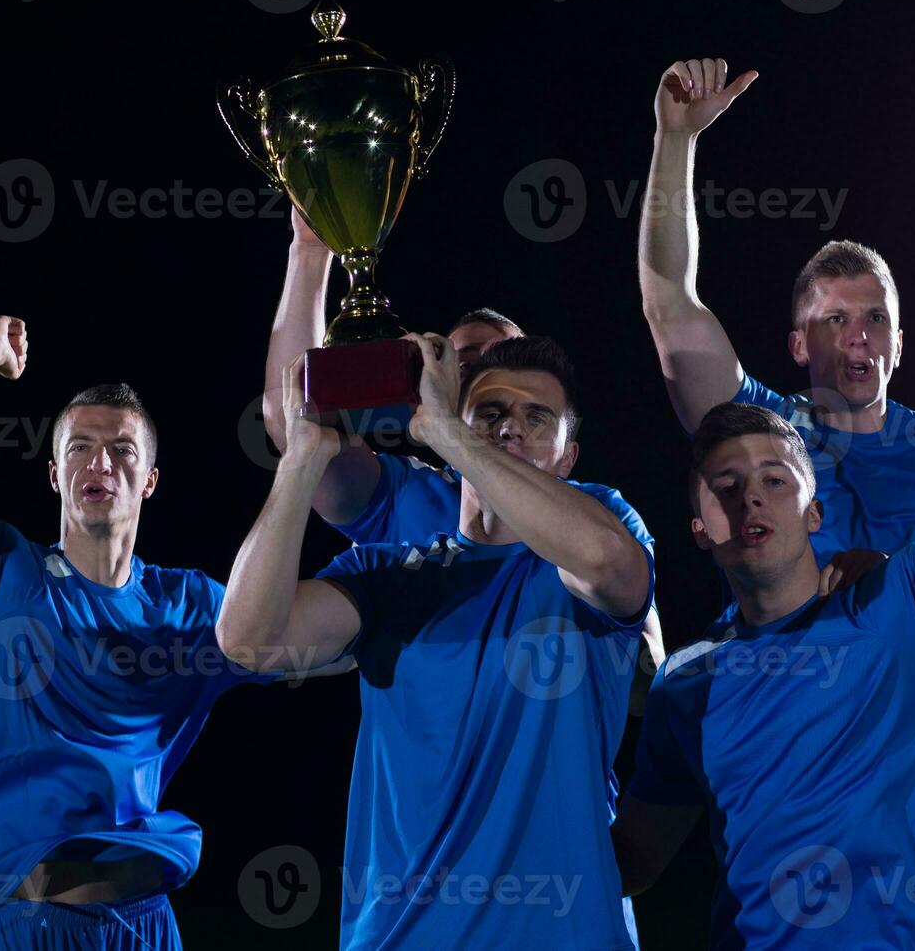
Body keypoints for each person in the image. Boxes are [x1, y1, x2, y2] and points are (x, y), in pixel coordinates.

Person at [637, 57, 915, 946]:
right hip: (765, 737)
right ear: (798, 342)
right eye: (834, 319)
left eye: (873, 319)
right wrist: (674, 141)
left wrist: (891, 580)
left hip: (902, 783)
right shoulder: (763, 437)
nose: (856, 336)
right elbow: (670, 305)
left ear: (898, 343)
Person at [219, 334, 654, 948]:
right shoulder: (388, 573)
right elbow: (247, 640)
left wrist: (452, 431)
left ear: (568, 456)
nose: (511, 429)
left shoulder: (600, 534)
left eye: (538, 418)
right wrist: (301, 461)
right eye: (492, 414)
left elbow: (608, 563)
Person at [0, 318, 281, 950]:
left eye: (122, 450)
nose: (100, 461)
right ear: (54, 475)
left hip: (143, 926)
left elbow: (317, 640)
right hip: (19, 927)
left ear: (149, 479)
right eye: (79, 448)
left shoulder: (189, 605)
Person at [263, 208, 665, 697]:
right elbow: (296, 419)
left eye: (505, 366)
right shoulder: (405, 495)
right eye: (463, 368)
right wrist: (310, 252)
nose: (491, 391)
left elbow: (642, 650)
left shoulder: (596, 512)